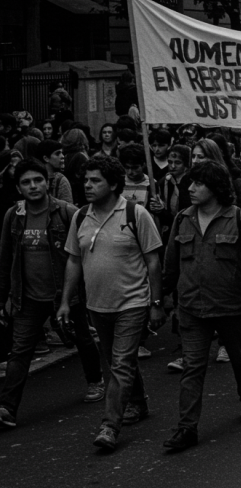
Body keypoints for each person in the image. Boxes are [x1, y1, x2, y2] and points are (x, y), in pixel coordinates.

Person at [58, 156, 165, 451]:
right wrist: (66, 301)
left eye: (96, 181)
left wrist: (156, 303)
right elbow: (74, 260)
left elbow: (153, 262)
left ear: (114, 184)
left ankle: (109, 425)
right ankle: (138, 403)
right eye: (86, 180)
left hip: (132, 302)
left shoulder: (135, 214)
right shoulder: (81, 216)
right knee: (121, 360)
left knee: (119, 364)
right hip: (97, 305)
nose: (88, 185)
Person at [161, 161, 241, 451]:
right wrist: (162, 300)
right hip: (192, 309)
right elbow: (170, 265)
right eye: (190, 183)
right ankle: (187, 428)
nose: (191, 188)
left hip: (231, 308)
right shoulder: (183, 219)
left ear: (216, 188)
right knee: (192, 368)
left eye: (198, 184)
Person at [0, 160, 105, 429]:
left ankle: (96, 380)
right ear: (18, 188)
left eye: (38, 180)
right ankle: (7, 407)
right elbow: (6, 259)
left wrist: (80, 293)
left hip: (66, 296)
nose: (33, 186)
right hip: (28, 297)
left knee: (82, 337)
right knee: (20, 351)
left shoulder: (67, 213)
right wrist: (7, 297)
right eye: (26, 182)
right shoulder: (13, 216)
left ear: (48, 182)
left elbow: (84, 254)